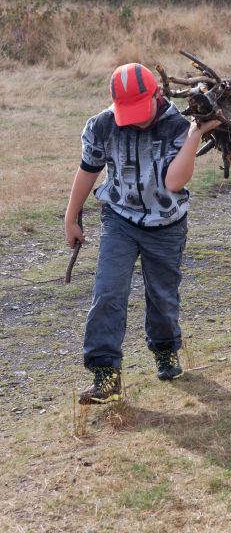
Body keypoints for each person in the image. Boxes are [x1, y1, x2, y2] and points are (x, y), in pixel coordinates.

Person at [64, 62, 219, 404]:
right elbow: (89, 170)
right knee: (107, 292)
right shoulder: (104, 125)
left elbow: (175, 182)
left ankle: (165, 351)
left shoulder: (179, 126)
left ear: (157, 94)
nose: (133, 119)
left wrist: (196, 134)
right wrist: (71, 215)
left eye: (139, 109)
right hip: (119, 219)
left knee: (162, 296)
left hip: (166, 226)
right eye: (126, 112)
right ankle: (106, 376)